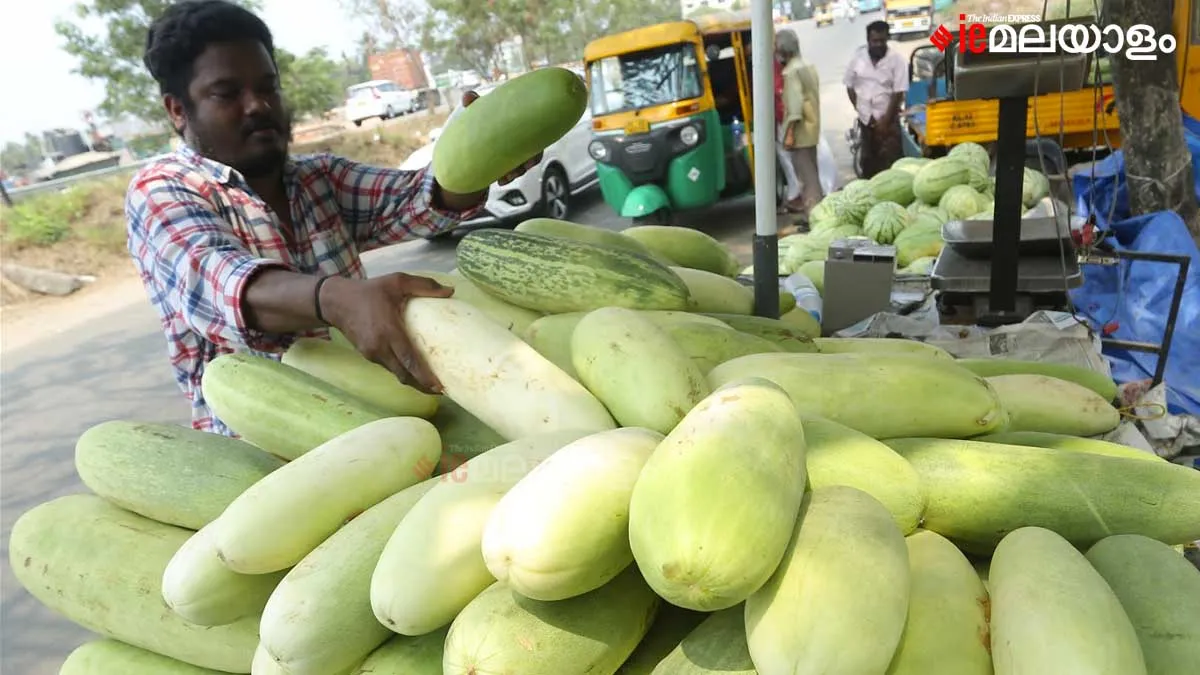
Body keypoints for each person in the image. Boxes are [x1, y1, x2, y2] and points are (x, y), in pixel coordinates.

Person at [127, 0, 541, 435]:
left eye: (268, 87)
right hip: (261, 452)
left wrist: (484, 156)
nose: (258, 105)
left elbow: (421, 199)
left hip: (382, 422)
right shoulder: (163, 190)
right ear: (177, 110)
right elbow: (225, 285)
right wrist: (337, 299)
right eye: (227, 94)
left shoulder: (318, 178)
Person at [843, 20, 909, 178]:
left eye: (882, 40)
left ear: (887, 39)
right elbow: (849, 86)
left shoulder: (897, 61)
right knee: (868, 164)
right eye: (875, 41)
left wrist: (885, 121)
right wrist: (861, 111)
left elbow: (898, 92)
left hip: (889, 121)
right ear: (868, 40)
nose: (878, 44)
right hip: (866, 121)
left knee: (892, 164)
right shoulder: (857, 59)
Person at [776, 29, 823, 221]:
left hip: (800, 133)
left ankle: (815, 217)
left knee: (806, 179)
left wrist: (789, 134)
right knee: (813, 174)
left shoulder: (791, 72)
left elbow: (794, 108)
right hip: (812, 128)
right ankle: (817, 214)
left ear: (783, 50)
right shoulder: (807, 66)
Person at [774, 51, 802, 213]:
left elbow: (781, 95)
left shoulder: (783, 70)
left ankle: (797, 196)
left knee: (789, 158)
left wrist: (789, 130)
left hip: (787, 118)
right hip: (784, 118)